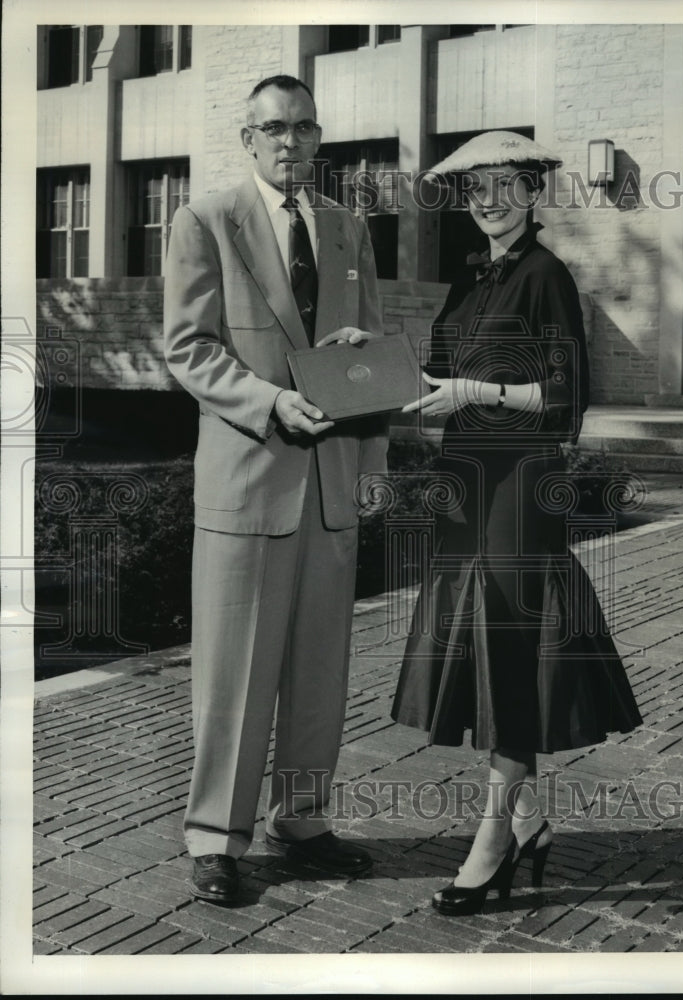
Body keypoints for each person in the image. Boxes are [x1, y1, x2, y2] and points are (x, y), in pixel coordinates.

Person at [391, 131, 643, 916]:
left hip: (518, 495)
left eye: (504, 185)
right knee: (487, 652)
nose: (488, 201)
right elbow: (440, 372)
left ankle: (492, 843)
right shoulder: (475, 282)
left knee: (510, 650)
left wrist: (477, 394)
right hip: (469, 489)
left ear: (534, 192)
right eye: (475, 190)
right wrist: (369, 354)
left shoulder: (544, 277)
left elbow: (565, 403)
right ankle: (529, 822)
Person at [164, 74, 388, 905]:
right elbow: (187, 348)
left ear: (317, 137)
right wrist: (269, 403)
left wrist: (370, 474)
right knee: (234, 675)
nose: (288, 142)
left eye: (301, 128)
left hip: (331, 486)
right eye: (272, 129)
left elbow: (371, 351)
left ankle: (303, 822)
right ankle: (216, 836)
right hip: (248, 478)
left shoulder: (346, 228)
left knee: (319, 671)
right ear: (248, 139)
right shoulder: (205, 221)